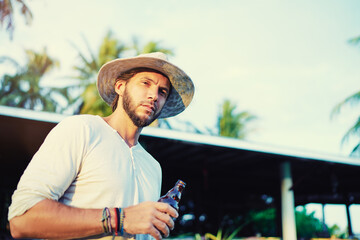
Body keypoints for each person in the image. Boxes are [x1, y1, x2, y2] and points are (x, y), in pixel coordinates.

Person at [8, 52, 195, 240]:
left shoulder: (153, 167)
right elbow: (22, 219)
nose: (153, 95)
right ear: (120, 86)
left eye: (162, 91)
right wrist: (120, 219)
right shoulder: (82, 129)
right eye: (145, 83)